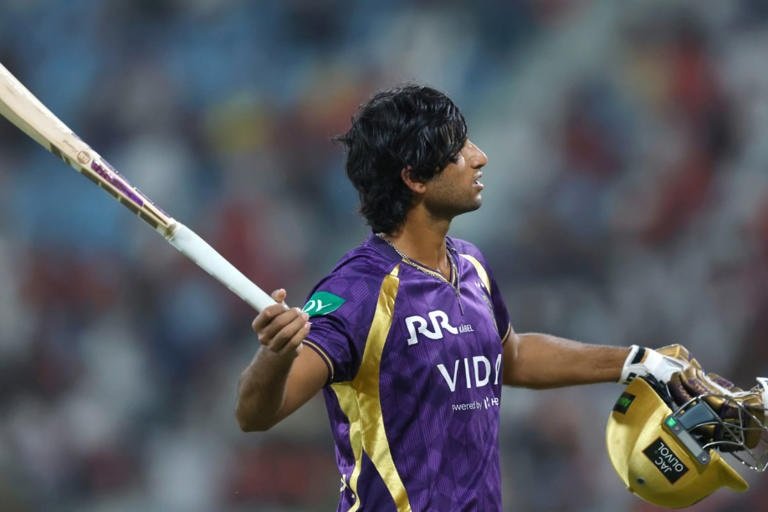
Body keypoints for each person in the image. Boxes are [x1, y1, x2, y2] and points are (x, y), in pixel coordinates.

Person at [233, 85, 709, 511]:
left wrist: (636, 361)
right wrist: (275, 355)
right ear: (415, 178)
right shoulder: (357, 290)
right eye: (458, 151)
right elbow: (255, 415)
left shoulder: (471, 264)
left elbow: (512, 357)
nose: (480, 157)